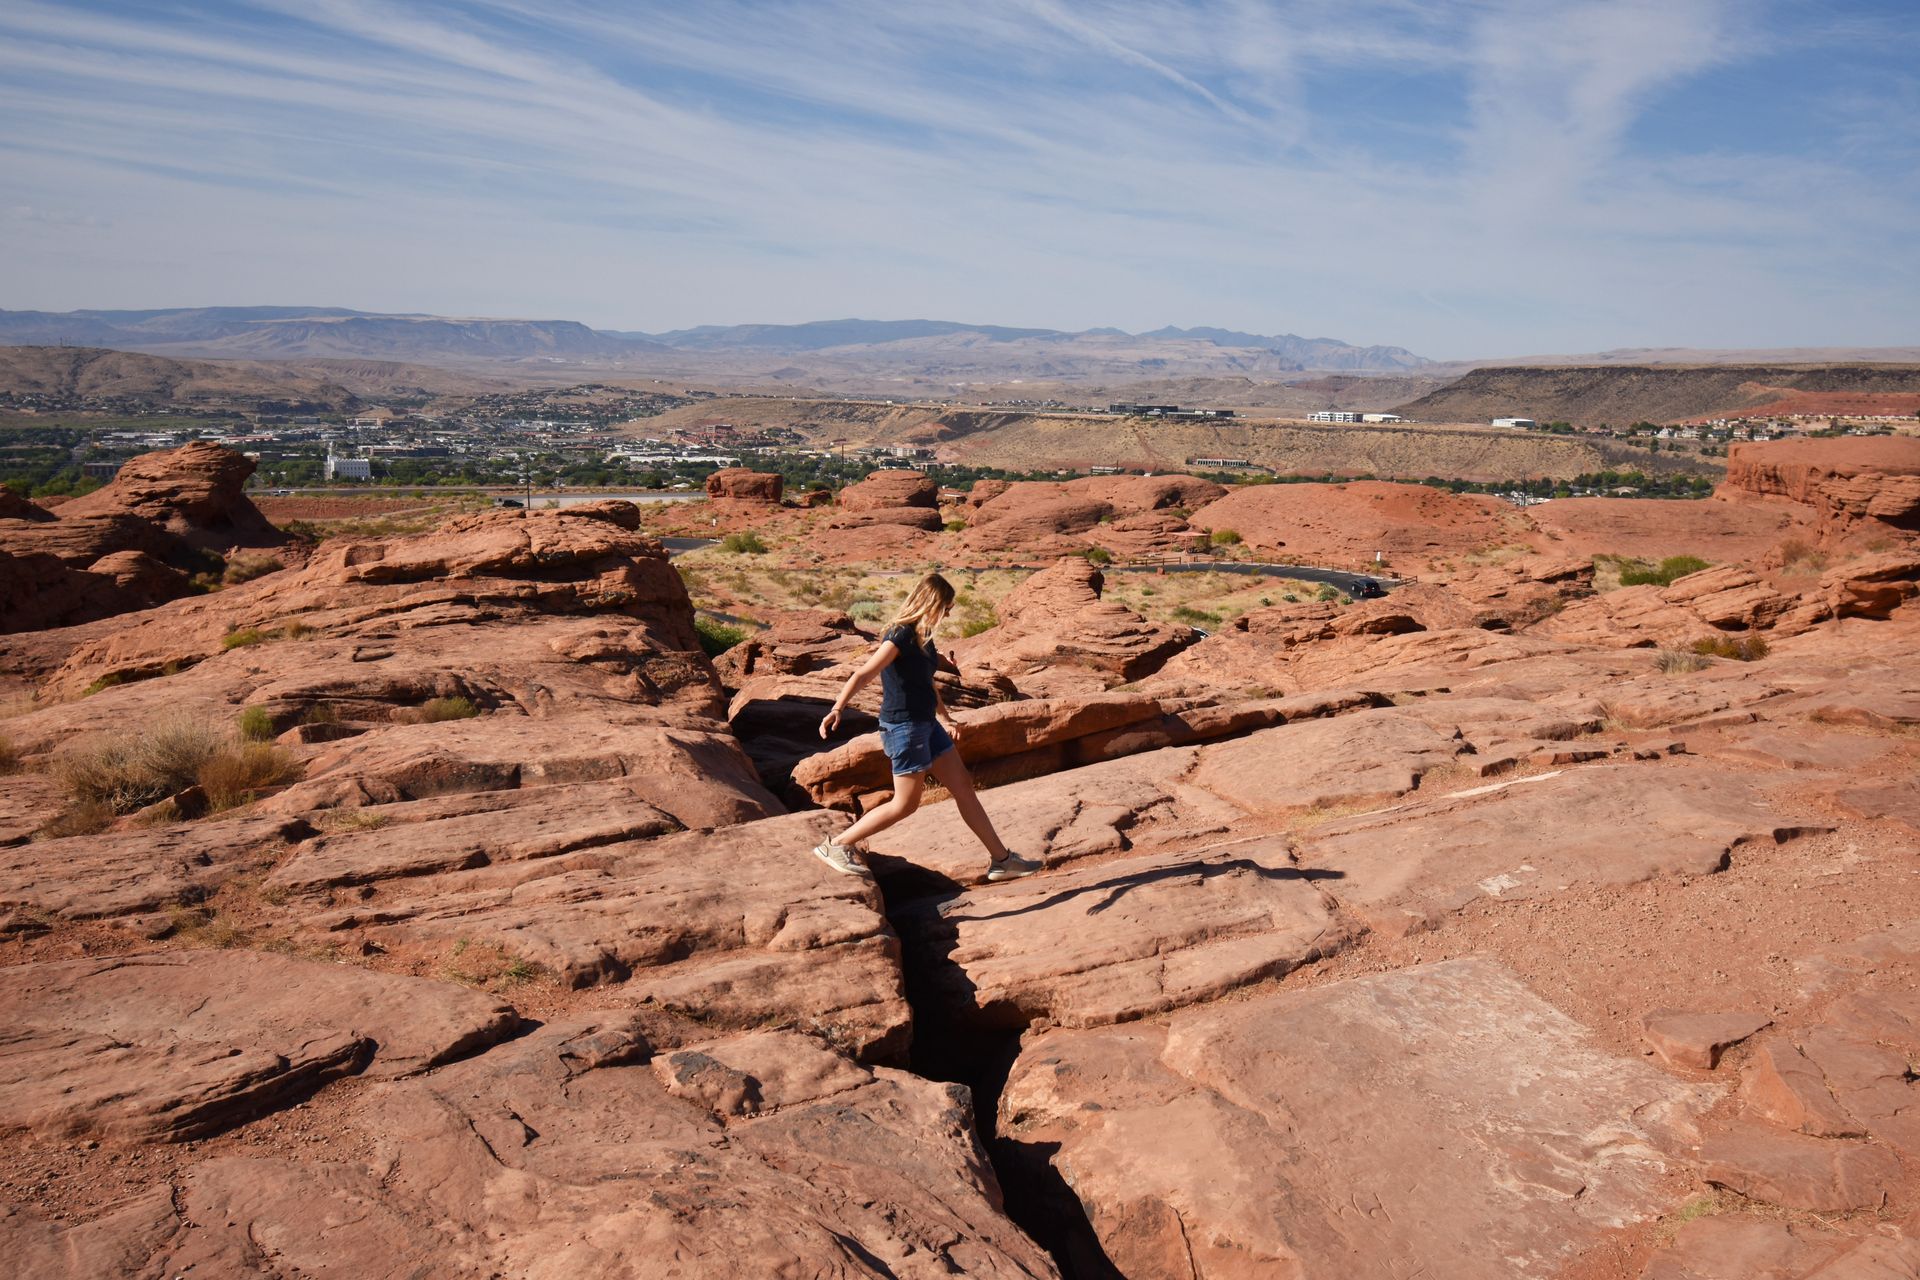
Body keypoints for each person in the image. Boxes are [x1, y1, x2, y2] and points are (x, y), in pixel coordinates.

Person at [811, 573, 1041, 884]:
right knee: (905, 804)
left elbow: (926, 684)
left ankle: (1002, 860)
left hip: (927, 725)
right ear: (932, 602)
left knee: (964, 789)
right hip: (904, 727)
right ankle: (836, 845)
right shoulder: (900, 635)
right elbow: (864, 673)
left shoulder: (924, 636)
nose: (950, 611)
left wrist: (945, 718)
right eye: (948, 605)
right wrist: (838, 707)